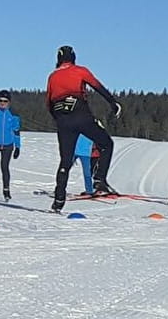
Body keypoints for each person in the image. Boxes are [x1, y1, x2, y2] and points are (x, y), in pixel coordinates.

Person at [45, 45, 123, 211]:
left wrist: (58, 120)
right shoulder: (80, 71)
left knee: (65, 161)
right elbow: (97, 86)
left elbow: (49, 103)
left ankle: (59, 199)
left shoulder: (52, 77)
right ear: (73, 58)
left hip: (62, 119)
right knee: (106, 144)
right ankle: (99, 179)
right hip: (81, 114)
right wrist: (112, 102)